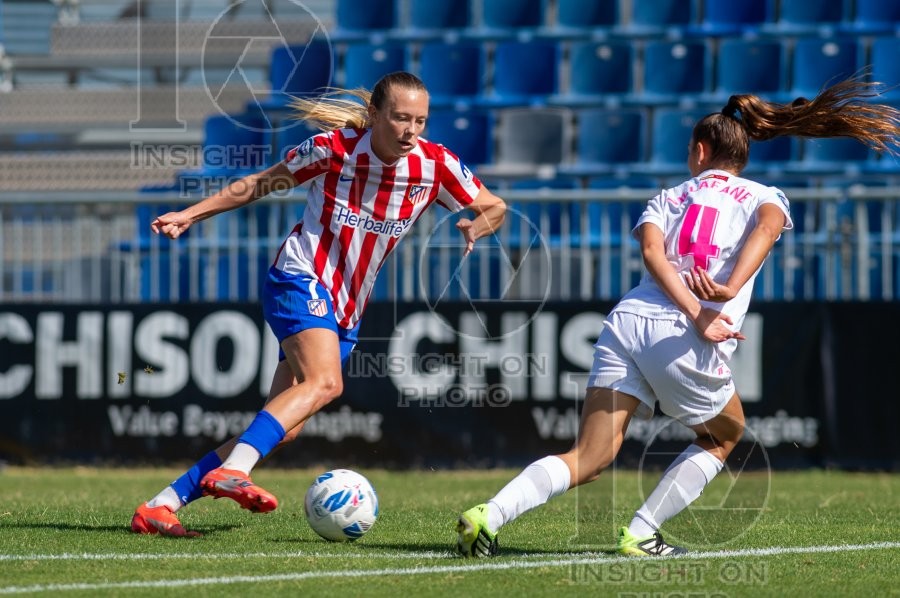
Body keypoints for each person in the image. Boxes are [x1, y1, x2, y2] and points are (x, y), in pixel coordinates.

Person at [455, 75, 900, 558]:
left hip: (628, 321)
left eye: (690, 149)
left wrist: (696, 304)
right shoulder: (764, 195)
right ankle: (642, 531)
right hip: (683, 334)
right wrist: (718, 297)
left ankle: (489, 515)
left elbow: (652, 253)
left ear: (702, 151)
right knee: (724, 434)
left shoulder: (667, 198)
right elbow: (767, 231)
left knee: (590, 455)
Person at [131, 71, 507, 537]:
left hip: (346, 309)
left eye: (420, 121)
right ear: (374, 114)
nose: (411, 131)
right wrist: (190, 214)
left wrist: (478, 225)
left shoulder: (435, 164)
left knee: (285, 428)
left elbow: (495, 205)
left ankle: (161, 505)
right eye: (400, 118)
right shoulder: (334, 149)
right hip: (300, 276)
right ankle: (234, 471)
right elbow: (260, 183)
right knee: (326, 383)